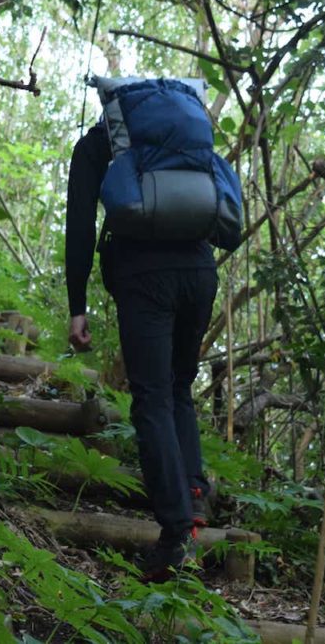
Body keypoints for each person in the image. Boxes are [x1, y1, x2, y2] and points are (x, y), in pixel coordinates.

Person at [65, 121, 217, 583]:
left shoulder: (98, 144)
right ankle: (193, 493)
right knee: (178, 387)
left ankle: (175, 534)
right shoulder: (179, 136)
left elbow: (81, 225)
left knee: (151, 398)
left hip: (144, 277)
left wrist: (77, 306)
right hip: (200, 270)